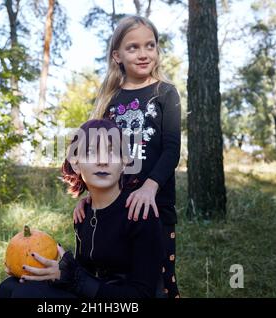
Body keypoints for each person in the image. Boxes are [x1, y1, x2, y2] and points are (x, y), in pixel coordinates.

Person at [73, 15, 182, 298]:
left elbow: (172, 149)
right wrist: (89, 196)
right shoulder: (110, 98)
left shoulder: (166, 93)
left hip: (155, 204)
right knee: (114, 276)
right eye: (133, 47)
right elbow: (94, 150)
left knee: (158, 280)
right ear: (117, 56)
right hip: (115, 205)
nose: (143, 53)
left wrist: (150, 187)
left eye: (150, 45)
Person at [0, 119, 166, 298]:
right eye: (92, 152)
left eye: (111, 152)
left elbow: (142, 294)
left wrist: (71, 276)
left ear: (124, 163)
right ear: (76, 164)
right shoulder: (84, 214)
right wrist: (35, 267)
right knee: (9, 287)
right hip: (96, 294)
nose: (102, 161)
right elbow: (83, 274)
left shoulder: (140, 212)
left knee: (26, 294)